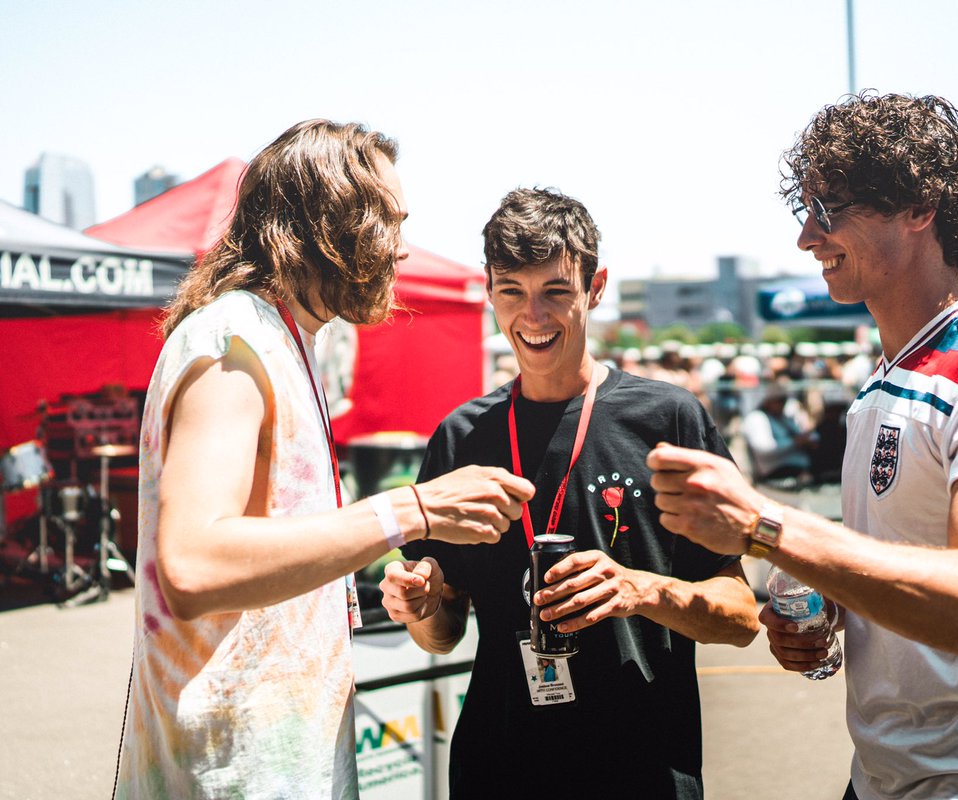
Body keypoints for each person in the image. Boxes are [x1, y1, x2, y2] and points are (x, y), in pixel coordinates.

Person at [648, 93, 958, 800]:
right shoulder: (885, 378)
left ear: (918, 209)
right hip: (883, 776)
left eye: (828, 212)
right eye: (807, 212)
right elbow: (907, 562)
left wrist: (767, 526)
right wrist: (830, 610)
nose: (806, 239)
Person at [115, 120, 534, 799]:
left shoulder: (283, 338)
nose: (401, 248)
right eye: (388, 222)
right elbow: (192, 563)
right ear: (328, 221)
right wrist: (413, 508)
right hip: (235, 774)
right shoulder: (233, 340)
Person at [379, 187, 758, 799]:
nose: (533, 316)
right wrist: (420, 608)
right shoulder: (461, 436)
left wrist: (642, 590)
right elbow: (444, 632)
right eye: (513, 291)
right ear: (490, 292)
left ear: (596, 286)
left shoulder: (668, 421)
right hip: (497, 770)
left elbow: (741, 617)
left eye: (556, 290)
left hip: (642, 770)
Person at [740, 378, 814, 484]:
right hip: (775, 472)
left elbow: (804, 435)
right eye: (778, 400)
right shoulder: (757, 418)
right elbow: (764, 448)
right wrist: (794, 442)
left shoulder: (784, 417)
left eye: (784, 400)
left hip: (800, 467)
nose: (782, 404)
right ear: (768, 401)